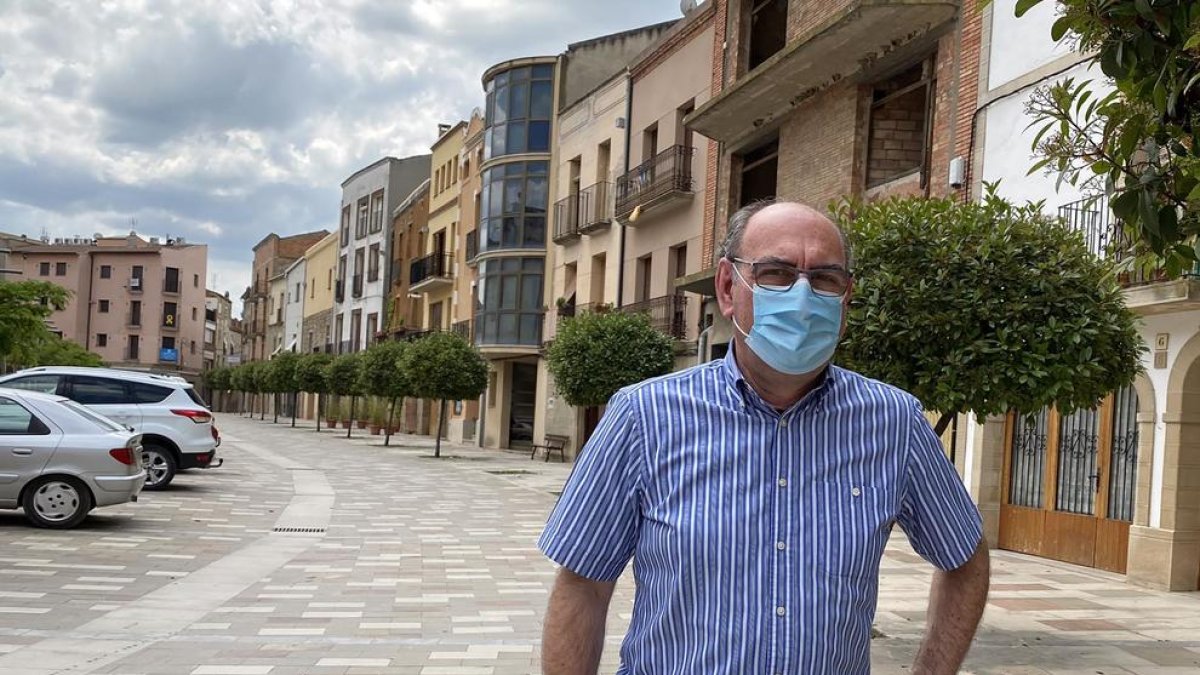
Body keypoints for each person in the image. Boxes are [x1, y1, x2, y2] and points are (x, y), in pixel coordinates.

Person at [538, 201, 990, 674]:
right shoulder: (643, 417)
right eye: (775, 273)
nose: (802, 295)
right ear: (729, 287)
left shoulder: (895, 423)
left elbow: (965, 557)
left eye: (824, 279)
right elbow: (582, 586)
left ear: (846, 298)